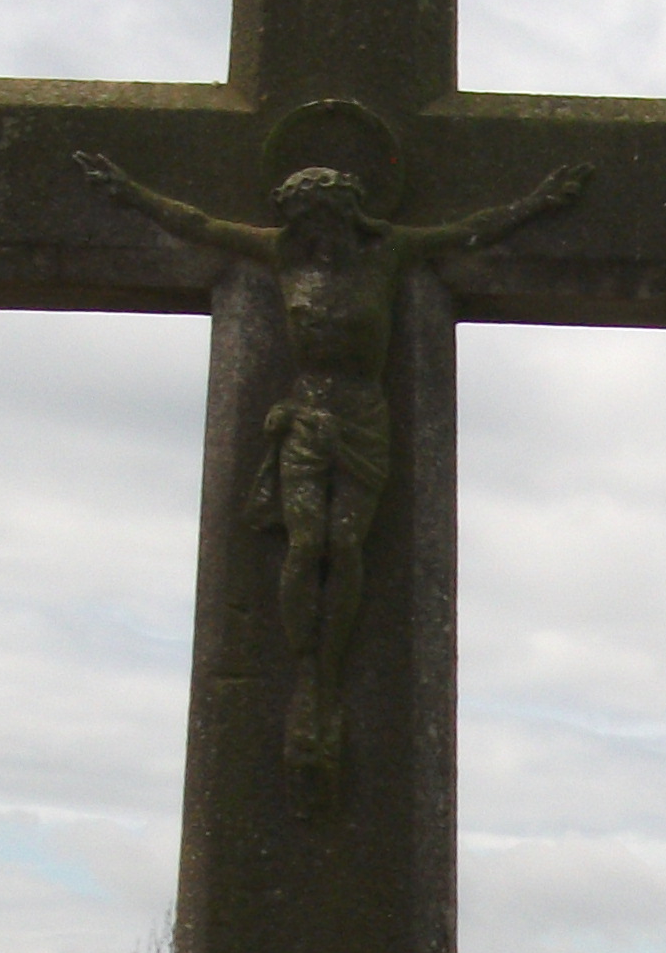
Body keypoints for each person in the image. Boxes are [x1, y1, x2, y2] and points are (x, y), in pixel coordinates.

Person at [73, 147, 593, 777]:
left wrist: (538, 203)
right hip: (306, 416)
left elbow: (466, 232)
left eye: (321, 221)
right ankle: (306, 670)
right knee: (303, 543)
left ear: (346, 217)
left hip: (362, 419)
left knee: (344, 545)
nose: (313, 236)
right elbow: (201, 227)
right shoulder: (282, 256)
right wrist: (130, 191)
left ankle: (329, 669)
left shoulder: (388, 254)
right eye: (303, 222)